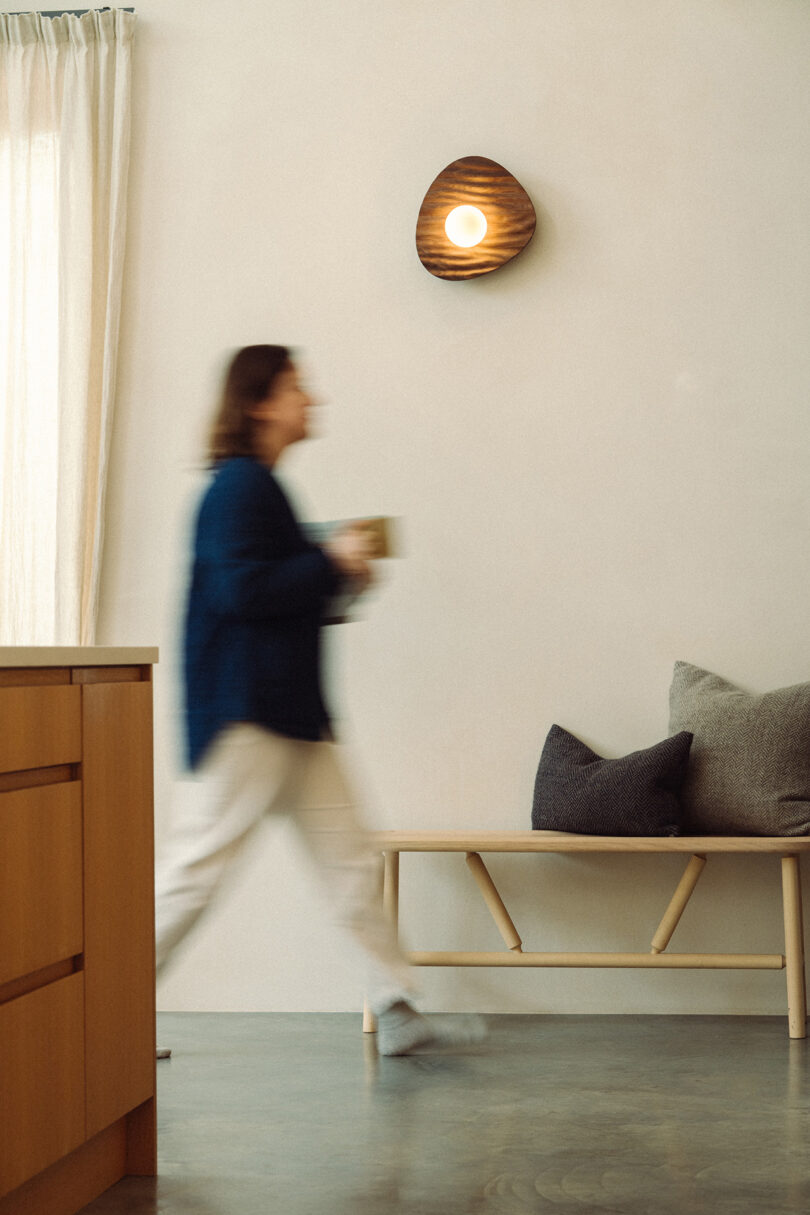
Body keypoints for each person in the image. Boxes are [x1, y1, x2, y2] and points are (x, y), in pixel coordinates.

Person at [154, 344, 484, 1056]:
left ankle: (395, 1005)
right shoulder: (239, 486)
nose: (314, 400)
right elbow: (239, 591)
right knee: (193, 873)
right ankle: (103, 1010)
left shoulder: (261, 489)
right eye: (299, 388)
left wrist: (340, 574)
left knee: (350, 863)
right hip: (247, 716)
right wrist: (329, 561)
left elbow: (280, 590)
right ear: (260, 403)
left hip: (291, 718)